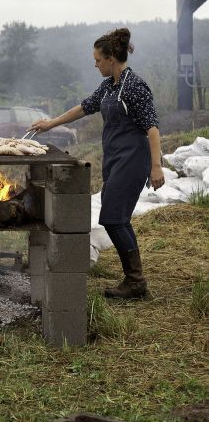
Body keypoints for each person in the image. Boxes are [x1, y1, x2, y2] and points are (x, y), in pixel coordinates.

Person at [29, 27, 165, 300]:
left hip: (133, 159)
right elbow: (83, 107)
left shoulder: (134, 86)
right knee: (117, 218)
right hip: (115, 159)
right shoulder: (108, 86)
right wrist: (50, 123)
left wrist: (156, 165)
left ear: (111, 59)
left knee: (113, 219)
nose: (95, 64)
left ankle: (136, 281)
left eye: (98, 60)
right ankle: (135, 280)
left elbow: (152, 127)